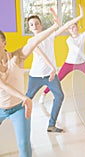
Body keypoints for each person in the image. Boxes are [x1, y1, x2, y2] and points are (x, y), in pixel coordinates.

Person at [0, 8, 59, 157]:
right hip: (1, 107)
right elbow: (3, 85)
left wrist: (54, 26)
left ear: (4, 43)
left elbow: (33, 41)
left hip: (18, 108)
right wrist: (24, 97)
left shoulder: (17, 58)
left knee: (24, 147)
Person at [26, 5, 84, 133]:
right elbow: (42, 54)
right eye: (31, 24)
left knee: (59, 96)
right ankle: (19, 123)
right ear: (29, 28)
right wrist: (53, 67)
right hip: (35, 76)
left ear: (41, 25)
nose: (34, 26)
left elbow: (64, 26)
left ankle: (51, 125)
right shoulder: (31, 40)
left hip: (50, 75)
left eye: (36, 23)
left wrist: (80, 16)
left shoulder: (49, 36)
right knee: (26, 99)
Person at [39, 9, 85, 106]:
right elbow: (76, 50)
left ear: (77, 27)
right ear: (68, 31)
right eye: (71, 28)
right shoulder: (69, 40)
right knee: (58, 79)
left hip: (81, 63)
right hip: (70, 63)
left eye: (74, 27)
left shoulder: (82, 36)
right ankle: (44, 94)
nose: (73, 29)